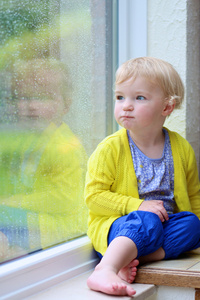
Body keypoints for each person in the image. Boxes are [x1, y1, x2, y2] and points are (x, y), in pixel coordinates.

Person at [84, 57, 200, 297]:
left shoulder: (181, 148)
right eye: (120, 97)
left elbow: (194, 196)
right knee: (147, 220)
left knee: (192, 224)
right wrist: (138, 206)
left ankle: (134, 260)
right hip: (122, 229)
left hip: (163, 229)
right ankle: (106, 267)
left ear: (167, 107)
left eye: (139, 98)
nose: (126, 105)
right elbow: (94, 197)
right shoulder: (110, 149)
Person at [0, 59, 88, 262]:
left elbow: (64, 199)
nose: (31, 106)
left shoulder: (66, 146)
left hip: (59, 228)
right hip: (33, 219)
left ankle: (12, 252)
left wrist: (15, 202)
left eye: (43, 98)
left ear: (66, 104)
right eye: (24, 98)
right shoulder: (28, 140)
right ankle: (13, 251)